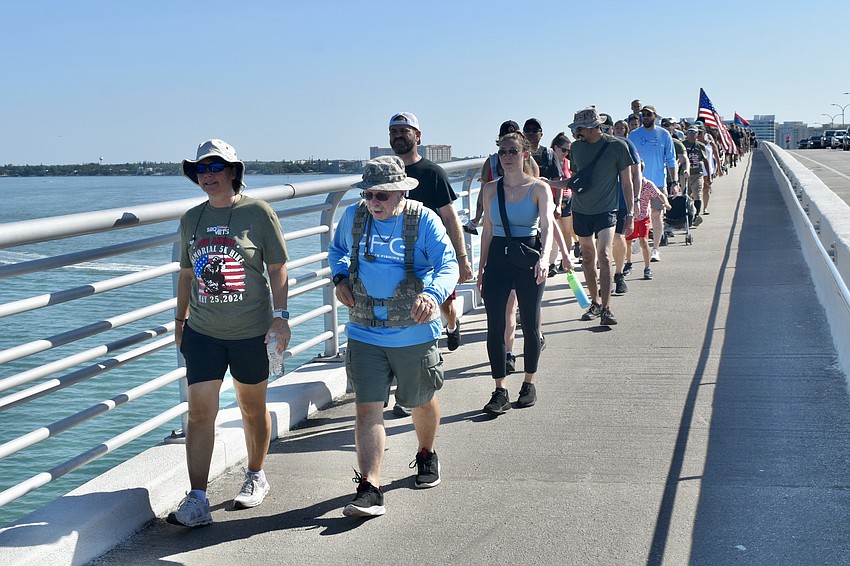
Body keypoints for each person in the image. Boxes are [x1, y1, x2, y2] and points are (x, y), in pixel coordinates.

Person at [168, 139, 290, 527]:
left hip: (250, 331)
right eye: (202, 169)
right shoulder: (192, 218)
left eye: (216, 167)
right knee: (200, 411)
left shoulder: (258, 212)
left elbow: (278, 268)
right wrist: (180, 321)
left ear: (234, 172)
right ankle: (198, 499)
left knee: (252, 408)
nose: (209, 175)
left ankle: (256, 475)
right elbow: (187, 273)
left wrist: (281, 316)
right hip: (203, 331)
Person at [329, 156, 458, 517]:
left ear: (401, 191)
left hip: (412, 331)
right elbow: (337, 251)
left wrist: (432, 294)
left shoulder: (423, 219)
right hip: (364, 330)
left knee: (421, 401)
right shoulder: (355, 217)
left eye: (382, 196)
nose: (374, 203)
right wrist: (339, 278)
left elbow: (447, 264)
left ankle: (426, 453)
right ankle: (370, 487)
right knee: (367, 408)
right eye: (369, 195)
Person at [477, 131, 554, 414]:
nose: (507, 157)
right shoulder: (489, 189)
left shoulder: (538, 188)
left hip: (529, 256)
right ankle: (500, 389)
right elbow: (487, 231)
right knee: (495, 326)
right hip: (498, 257)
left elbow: (546, 226)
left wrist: (545, 258)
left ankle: (528, 382)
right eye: (502, 152)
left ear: (524, 155)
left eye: (512, 151)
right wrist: (481, 268)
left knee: (530, 323)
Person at [389, 112, 472, 355]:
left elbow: (450, 217)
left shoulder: (433, 173)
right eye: (394, 131)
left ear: (417, 136)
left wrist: (461, 258)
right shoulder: (388, 173)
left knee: (445, 303)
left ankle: (453, 324)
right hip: (396, 253)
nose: (398, 136)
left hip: (432, 251)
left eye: (404, 131)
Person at [569, 107, 635, 326]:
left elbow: (627, 182)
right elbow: (576, 179)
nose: (576, 132)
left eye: (579, 128)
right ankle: (594, 303)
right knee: (587, 257)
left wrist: (631, 214)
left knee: (604, 255)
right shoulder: (576, 148)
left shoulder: (618, 146)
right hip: (580, 210)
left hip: (607, 209)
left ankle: (607, 308)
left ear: (592, 128)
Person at [628, 104, 678, 263]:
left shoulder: (663, 135)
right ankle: (639, 238)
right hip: (637, 182)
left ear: (655, 116)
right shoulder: (634, 135)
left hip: (657, 182)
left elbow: (671, 159)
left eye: (649, 114)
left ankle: (655, 249)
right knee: (638, 214)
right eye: (643, 114)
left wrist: (674, 182)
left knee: (656, 214)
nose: (646, 117)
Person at [610, 118, 642, 293]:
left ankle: (619, 274)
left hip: (622, 198)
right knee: (603, 240)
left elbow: (636, 174)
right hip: (602, 201)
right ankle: (605, 277)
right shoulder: (598, 146)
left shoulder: (627, 145)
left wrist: (635, 199)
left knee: (618, 237)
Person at [626, 177, 671, 281]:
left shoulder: (647, 184)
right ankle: (629, 263)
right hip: (630, 217)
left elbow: (659, 194)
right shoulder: (627, 183)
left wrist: (666, 203)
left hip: (643, 218)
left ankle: (647, 268)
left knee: (644, 242)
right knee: (627, 242)